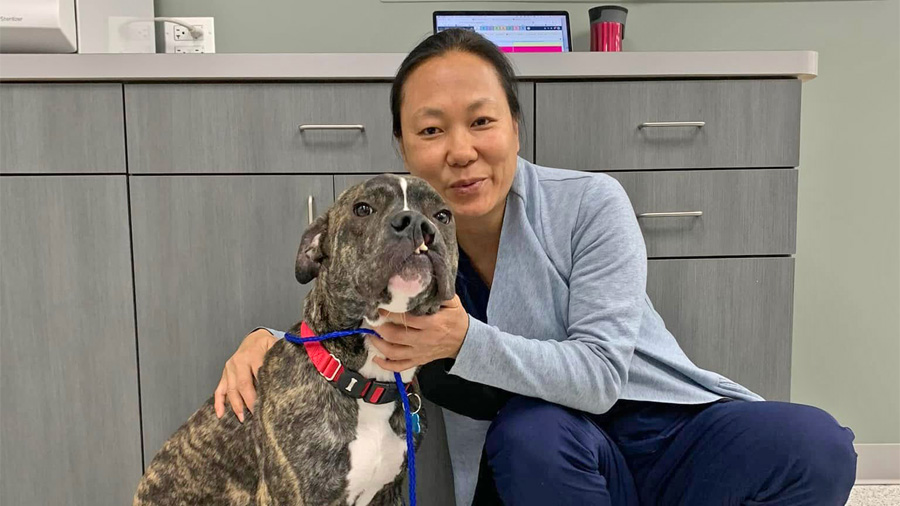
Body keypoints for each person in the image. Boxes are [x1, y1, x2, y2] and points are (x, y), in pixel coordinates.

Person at [213, 29, 857, 506]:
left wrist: (464, 341)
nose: (461, 150)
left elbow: (601, 376)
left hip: (658, 430)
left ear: (515, 128)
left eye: (482, 121)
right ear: (403, 147)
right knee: (534, 435)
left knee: (816, 446)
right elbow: (345, 319)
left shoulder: (589, 203)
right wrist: (272, 341)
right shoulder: (399, 243)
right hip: (544, 465)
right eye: (431, 131)